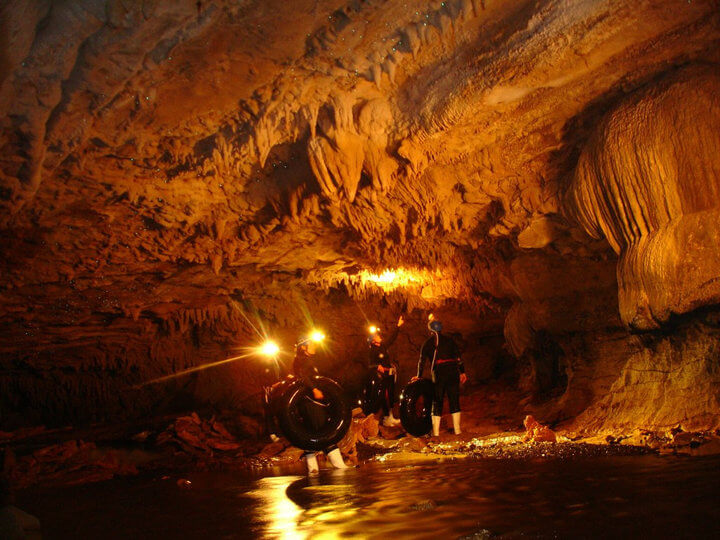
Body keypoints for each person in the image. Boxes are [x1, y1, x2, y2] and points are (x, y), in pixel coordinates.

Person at [293, 334, 348, 474]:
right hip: (309, 403)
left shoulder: (309, 360)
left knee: (313, 432)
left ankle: (313, 471)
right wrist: (314, 388)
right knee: (324, 431)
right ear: (304, 347)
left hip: (313, 403)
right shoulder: (300, 360)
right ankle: (340, 468)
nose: (315, 346)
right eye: (311, 344)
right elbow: (302, 375)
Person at [413, 318, 467, 436]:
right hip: (452, 371)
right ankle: (457, 430)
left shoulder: (427, 343)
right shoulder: (450, 340)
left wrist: (418, 376)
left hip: (439, 373)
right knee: (454, 399)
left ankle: (436, 433)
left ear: (431, 330)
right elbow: (458, 357)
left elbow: (421, 361)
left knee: (437, 401)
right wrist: (462, 372)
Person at [367, 315, 405, 426]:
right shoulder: (372, 351)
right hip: (382, 376)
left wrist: (398, 326)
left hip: (389, 374)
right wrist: (376, 366)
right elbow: (370, 364)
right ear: (373, 340)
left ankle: (391, 417)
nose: (379, 336)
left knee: (391, 395)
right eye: (377, 336)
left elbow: (392, 338)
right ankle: (385, 418)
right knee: (384, 395)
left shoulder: (383, 346)